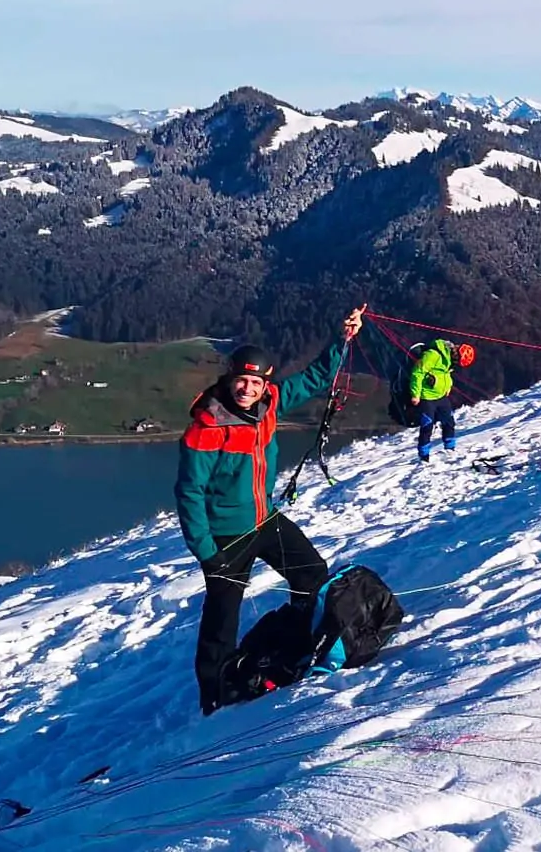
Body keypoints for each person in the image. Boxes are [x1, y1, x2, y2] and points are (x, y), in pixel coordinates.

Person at [178, 305, 364, 716]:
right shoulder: (207, 427)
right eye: (240, 381)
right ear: (229, 380)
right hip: (226, 537)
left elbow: (315, 379)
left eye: (254, 382)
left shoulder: (270, 405)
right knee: (221, 621)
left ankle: (299, 645)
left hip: (264, 520)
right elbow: (189, 493)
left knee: (312, 574)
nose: (246, 389)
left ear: (264, 385)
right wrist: (209, 554)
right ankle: (214, 698)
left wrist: (342, 339)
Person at [408, 338, 475, 462]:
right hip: (426, 397)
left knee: (449, 422)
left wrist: (448, 387)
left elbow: (446, 374)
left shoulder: (449, 359)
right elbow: (417, 373)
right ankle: (423, 456)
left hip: (441, 396)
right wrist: (415, 394)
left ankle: (450, 449)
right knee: (427, 425)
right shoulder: (433, 355)